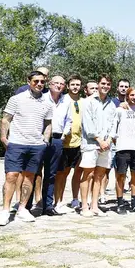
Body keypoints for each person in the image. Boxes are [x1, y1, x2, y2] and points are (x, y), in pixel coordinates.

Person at [0, 71, 54, 226]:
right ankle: (5, 211)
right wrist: (3, 138)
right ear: (28, 81)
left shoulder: (47, 103)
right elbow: (6, 119)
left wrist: (45, 140)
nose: (39, 84)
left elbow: (48, 124)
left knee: (29, 177)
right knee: (11, 176)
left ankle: (22, 209)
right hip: (17, 143)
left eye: (42, 81)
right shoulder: (16, 99)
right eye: (36, 81)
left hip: (36, 146)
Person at [79, 74, 118, 217]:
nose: (105, 86)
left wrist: (109, 140)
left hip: (106, 145)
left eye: (108, 84)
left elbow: (114, 124)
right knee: (88, 174)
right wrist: (99, 140)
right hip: (91, 144)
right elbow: (87, 123)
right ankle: (84, 206)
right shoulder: (88, 102)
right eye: (103, 83)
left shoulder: (112, 104)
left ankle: (94, 205)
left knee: (99, 175)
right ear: (98, 84)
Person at [109, 87, 135, 214]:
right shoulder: (120, 110)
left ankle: (134, 203)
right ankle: (120, 202)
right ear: (127, 96)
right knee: (121, 176)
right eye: (132, 95)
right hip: (122, 147)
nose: (134, 97)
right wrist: (116, 142)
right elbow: (114, 128)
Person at [38, 75, 67, 216]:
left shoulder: (65, 101)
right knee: (34, 172)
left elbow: (69, 120)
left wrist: (63, 135)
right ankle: (27, 205)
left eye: (62, 84)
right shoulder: (41, 98)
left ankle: (47, 206)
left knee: (51, 174)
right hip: (39, 138)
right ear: (49, 84)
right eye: (56, 83)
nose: (59, 86)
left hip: (57, 139)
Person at [54, 74, 83, 213]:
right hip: (64, 143)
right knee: (62, 174)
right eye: (73, 84)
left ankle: (75, 198)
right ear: (68, 86)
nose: (75, 87)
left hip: (79, 143)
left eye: (78, 85)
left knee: (78, 172)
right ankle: (57, 201)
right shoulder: (62, 99)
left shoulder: (83, 101)